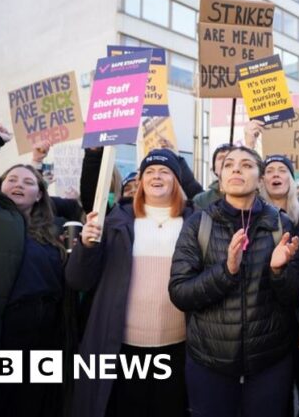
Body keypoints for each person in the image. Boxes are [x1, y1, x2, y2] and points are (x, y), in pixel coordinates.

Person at [169, 145, 299, 417]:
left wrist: (278, 271)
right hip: (209, 362)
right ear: (220, 175)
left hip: (269, 362)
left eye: (246, 165)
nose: (237, 169)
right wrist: (226, 271)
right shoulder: (199, 223)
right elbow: (180, 293)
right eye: (229, 164)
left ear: (260, 178)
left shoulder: (281, 225)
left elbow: (295, 296)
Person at [66, 149, 193, 417]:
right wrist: (87, 247)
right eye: (149, 171)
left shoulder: (195, 222)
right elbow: (78, 279)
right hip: (123, 347)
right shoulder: (115, 221)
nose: (156, 176)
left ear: (177, 181)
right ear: (141, 181)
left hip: (179, 349)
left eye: (164, 171)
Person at [0, 125, 69, 417]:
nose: (19, 184)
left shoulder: (54, 230)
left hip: (42, 339)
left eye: (27, 183)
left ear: (39, 195)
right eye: (11, 179)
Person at [260, 154, 299, 228]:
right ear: (262, 180)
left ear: (291, 179)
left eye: (282, 171)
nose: (276, 175)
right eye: (269, 171)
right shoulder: (252, 217)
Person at [193, 143, 232, 210]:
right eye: (220, 158)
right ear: (214, 168)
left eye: (230, 158)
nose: (225, 161)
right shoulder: (201, 200)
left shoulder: (251, 198)